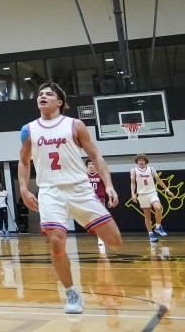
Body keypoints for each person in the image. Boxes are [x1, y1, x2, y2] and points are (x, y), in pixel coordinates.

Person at [18, 82, 122, 314]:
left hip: (79, 189)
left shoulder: (75, 125)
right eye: (40, 94)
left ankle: (91, 223)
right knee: (56, 242)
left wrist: (109, 185)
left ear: (60, 102)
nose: (42, 96)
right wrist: (24, 189)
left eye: (49, 94)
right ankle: (72, 293)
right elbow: (24, 161)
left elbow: (95, 155)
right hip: (50, 192)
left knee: (115, 241)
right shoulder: (29, 129)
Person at [130, 154, 174, 243]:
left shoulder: (151, 169)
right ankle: (151, 234)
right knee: (147, 215)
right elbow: (133, 183)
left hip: (152, 192)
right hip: (142, 195)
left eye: (142, 160)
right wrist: (133, 194)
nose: (141, 162)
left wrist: (167, 190)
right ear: (137, 162)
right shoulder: (133, 170)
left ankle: (158, 227)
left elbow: (158, 180)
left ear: (145, 161)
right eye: (139, 160)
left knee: (158, 207)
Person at [86, 160, 108, 248]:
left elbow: (107, 188)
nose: (91, 166)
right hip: (88, 200)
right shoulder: (84, 176)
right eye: (89, 164)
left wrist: (110, 198)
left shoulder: (100, 175)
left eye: (92, 164)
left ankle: (101, 237)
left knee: (100, 219)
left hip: (100, 199)